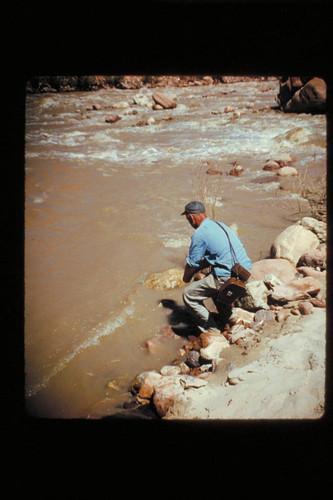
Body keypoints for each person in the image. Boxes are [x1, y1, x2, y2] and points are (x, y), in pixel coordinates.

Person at [181, 201, 252, 333]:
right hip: (245, 271)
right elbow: (213, 257)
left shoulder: (199, 233)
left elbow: (193, 263)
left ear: (191, 217)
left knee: (188, 294)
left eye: (187, 218)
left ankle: (212, 330)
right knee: (214, 285)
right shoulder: (220, 225)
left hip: (228, 276)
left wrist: (186, 278)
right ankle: (232, 319)